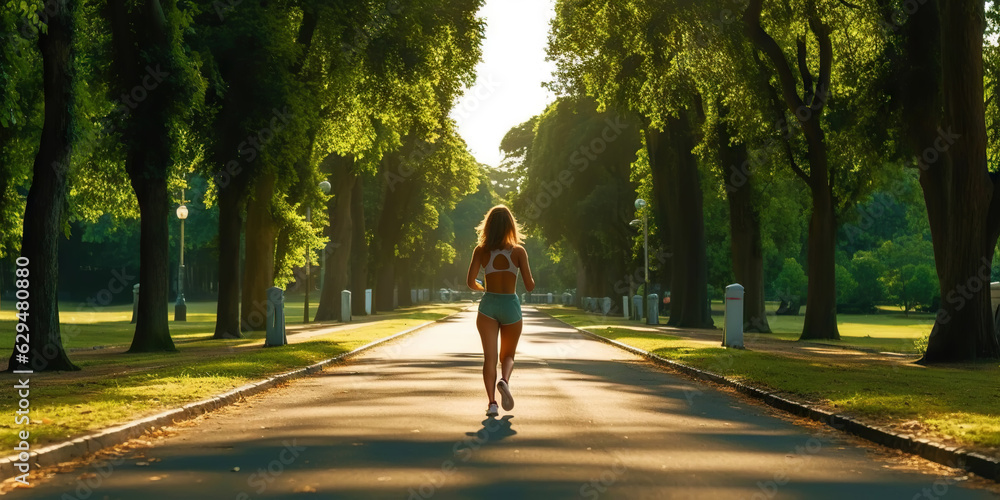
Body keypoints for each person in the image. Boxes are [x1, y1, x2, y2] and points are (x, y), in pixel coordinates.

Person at [466, 205, 535, 417]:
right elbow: (530, 285)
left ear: (488, 226)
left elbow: (470, 282)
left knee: (489, 358)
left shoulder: (481, 251)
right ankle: (504, 380)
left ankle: (492, 404)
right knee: (508, 355)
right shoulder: (519, 252)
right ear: (510, 226)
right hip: (510, 306)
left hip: (488, 306)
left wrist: (482, 286)